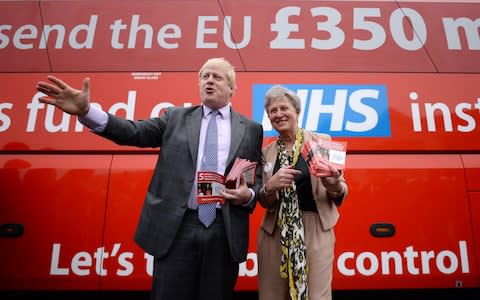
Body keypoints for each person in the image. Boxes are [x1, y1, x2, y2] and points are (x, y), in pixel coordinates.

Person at [35, 57, 263, 300]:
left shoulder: (250, 129)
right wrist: (87, 111)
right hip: (178, 228)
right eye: (204, 76)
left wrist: (248, 195)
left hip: (223, 231)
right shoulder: (175, 118)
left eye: (216, 77)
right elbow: (134, 132)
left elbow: (254, 178)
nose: (209, 81)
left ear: (232, 88)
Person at [256, 85, 348, 300]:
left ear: (297, 112)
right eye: (272, 111)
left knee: (316, 295)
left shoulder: (321, 141)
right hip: (275, 231)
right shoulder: (265, 154)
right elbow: (263, 200)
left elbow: (341, 191)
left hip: (316, 227)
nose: (278, 114)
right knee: (272, 295)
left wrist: (333, 182)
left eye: (283, 108)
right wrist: (271, 186)